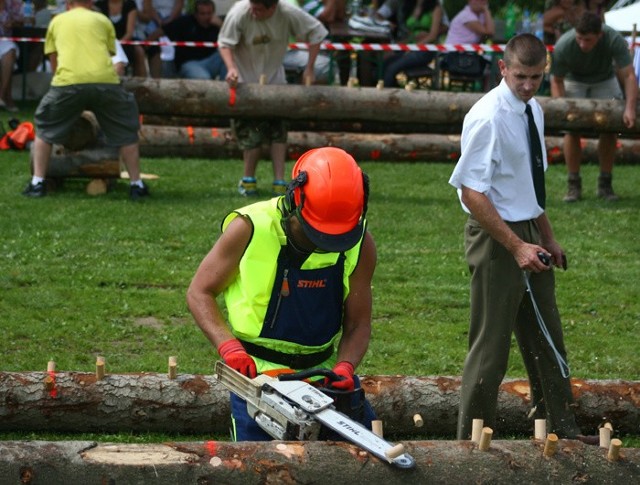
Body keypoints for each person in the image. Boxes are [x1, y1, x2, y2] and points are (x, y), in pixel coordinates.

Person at [449, 33, 597, 444]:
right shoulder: (488, 116)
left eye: (535, 77)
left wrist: (546, 237)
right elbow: (470, 191)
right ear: (502, 69)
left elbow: (530, 184)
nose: (528, 85)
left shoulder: (533, 111)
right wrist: (515, 246)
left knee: (547, 336)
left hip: (528, 231)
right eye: (520, 77)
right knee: (490, 349)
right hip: (496, 239)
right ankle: (469, 445)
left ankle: (560, 432)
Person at [187, 147, 377, 441]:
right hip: (255, 376)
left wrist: (345, 366)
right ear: (295, 199)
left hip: (322, 378)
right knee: (261, 467)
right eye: (319, 234)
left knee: (358, 461)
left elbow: (358, 323)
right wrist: (229, 347)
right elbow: (200, 291)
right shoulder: (251, 227)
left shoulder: (359, 243)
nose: (326, 244)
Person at [22, 0, 149, 199]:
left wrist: (63, 85)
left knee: (44, 128)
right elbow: (110, 55)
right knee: (126, 132)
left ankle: (37, 183)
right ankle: (137, 185)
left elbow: (53, 59)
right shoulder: (102, 20)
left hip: (68, 81)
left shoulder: (57, 21)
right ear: (91, 2)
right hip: (105, 81)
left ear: (67, 4)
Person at [218, 0, 328, 197]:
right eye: (253, 7)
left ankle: (279, 182)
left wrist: (309, 67)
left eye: (259, 9)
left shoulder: (287, 12)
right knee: (252, 133)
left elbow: (317, 32)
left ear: (273, 8)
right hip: (246, 82)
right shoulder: (239, 13)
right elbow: (225, 43)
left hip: (276, 81)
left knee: (279, 130)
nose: (254, 12)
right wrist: (231, 68)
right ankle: (248, 180)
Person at [550, 11, 637, 202]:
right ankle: (573, 185)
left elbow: (629, 76)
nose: (582, 44)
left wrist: (630, 108)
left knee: (610, 128)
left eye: (588, 40)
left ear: (600, 35)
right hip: (574, 81)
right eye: (579, 38)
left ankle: (605, 184)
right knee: (571, 130)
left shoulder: (613, 38)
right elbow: (556, 80)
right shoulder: (564, 44)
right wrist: (562, 109)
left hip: (605, 79)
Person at [146, 0, 226, 80]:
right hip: (189, 63)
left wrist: (221, 26)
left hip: (211, 60)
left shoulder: (216, 24)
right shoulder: (185, 22)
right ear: (195, 14)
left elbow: (231, 40)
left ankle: (227, 89)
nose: (206, 17)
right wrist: (145, 45)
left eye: (209, 13)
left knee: (229, 58)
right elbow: (161, 31)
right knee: (203, 78)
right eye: (202, 14)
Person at [376, 0, 447, 87]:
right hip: (409, 46)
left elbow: (433, 35)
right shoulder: (410, 5)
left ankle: (387, 97)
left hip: (424, 50)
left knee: (392, 68)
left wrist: (414, 47)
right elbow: (410, 35)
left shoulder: (436, 8)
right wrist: (396, 47)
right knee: (385, 63)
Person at [95, 0, 148, 77]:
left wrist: (117, 47)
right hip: (104, 43)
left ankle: (142, 84)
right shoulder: (99, 5)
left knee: (139, 51)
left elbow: (129, 32)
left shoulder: (130, 4)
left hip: (125, 42)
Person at [0, 0, 22, 111]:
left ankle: (2, 95)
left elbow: (23, 21)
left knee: (10, 50)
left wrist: (13, 22)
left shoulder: (14, 3)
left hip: (5, 40)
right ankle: (7, 98)